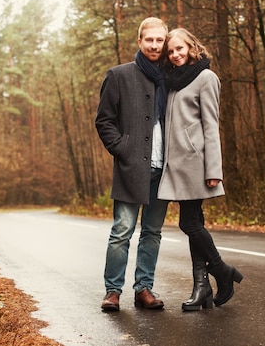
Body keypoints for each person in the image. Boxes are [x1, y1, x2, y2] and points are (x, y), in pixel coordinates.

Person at [158, 27, 243, 311]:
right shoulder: (172, 82)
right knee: (194, 223)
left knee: (189, 224)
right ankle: (202, 286)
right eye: (171, 52)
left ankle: (221, 272)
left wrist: (213, 169)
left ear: (192, 46)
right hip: (176, 164)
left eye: (179, 49)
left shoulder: (206, 78)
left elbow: (210, 125)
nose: (175, 54)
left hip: (196, 164)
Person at [95, 17, 170, 312]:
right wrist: (122, 149)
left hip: (163, 170)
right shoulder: (119, 75)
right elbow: (104, 121)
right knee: (122, 230)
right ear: (139, 42)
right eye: (149, 40)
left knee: (152, 232)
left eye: (159, 40)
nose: (154, 45)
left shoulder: (171, 77)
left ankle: (144, 289)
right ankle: (112, 291)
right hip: (131, 168)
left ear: (165, 43)